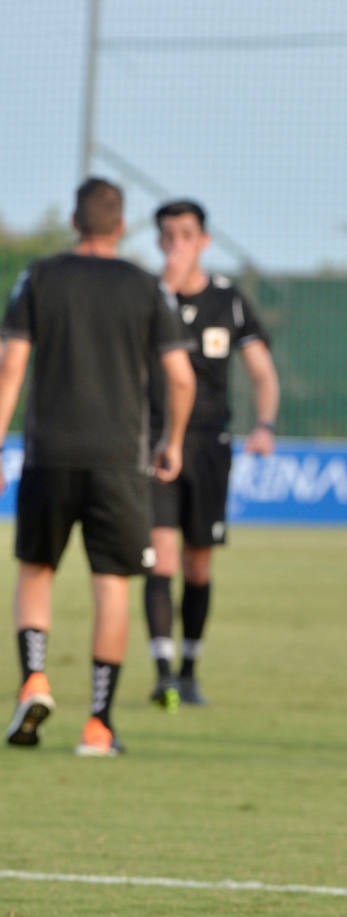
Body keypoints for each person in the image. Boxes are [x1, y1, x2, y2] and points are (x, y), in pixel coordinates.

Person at [0, 177, 195, 756]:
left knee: (37, 569)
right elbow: (181, 378)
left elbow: (11, 370)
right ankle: (98, 725)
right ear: (121, 225)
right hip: (119, 461)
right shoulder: (144, 288)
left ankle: (34, 679)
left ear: (74, 220)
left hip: (49, 455)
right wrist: (173, 440)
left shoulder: (39, 277)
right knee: (111, 584)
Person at [144, 199, 280, 709]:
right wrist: (165, 294)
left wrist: (264, 425)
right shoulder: (148, 298)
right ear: (159, 243)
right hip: (157, 444)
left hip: (209, 447)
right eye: (169, 236)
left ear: (204, 240)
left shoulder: (230, 301)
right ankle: (162, 673)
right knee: (160, 558)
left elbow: (263, 372)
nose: (177, 244)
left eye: (186, 234)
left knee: (199, 567)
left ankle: (189, 669)